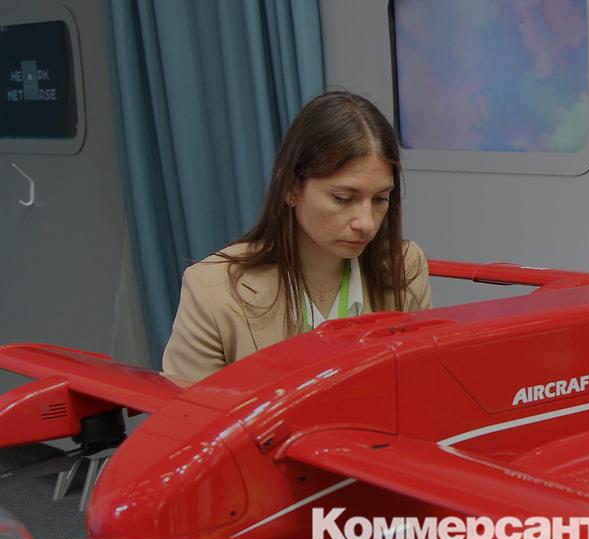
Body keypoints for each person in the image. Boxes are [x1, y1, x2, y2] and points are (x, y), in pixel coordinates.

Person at [161, 92, 431, 382]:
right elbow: (188, 409)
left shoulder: (405, 265)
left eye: (380, 199)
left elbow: (424, 385)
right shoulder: (214, 291)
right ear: (290, 187)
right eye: (343, 198)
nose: (366, 223)